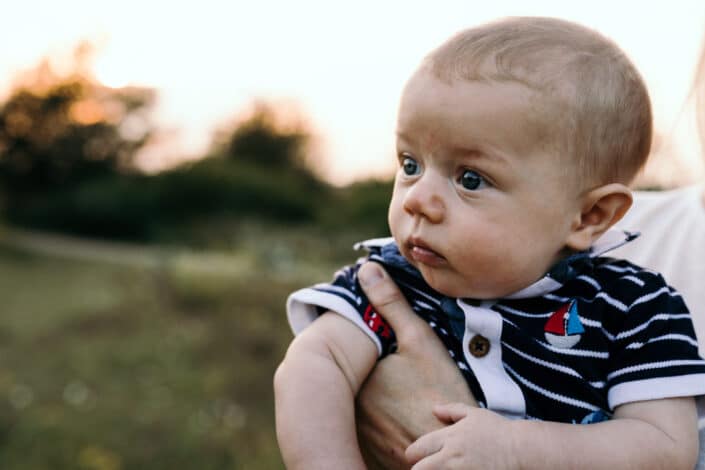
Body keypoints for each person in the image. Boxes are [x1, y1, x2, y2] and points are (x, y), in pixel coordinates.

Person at [274, 17, 705, 469]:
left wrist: (516, 449)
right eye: (410, 163)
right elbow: (315, 366)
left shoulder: (632, 306)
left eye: (470, 179)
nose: (418, 200)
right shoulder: (394, 280)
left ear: (588, 216)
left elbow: (665, 446)